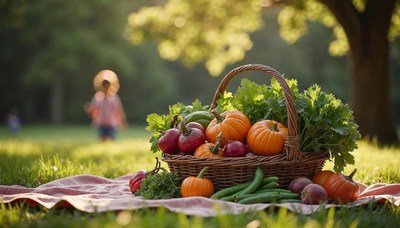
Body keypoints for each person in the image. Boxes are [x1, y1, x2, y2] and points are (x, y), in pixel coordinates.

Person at [85, 70, 127, 141]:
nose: (106, 86)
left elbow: (119, 111)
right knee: (102, 141)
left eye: (107, 84)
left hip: (111, 125)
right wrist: (88, 110)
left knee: (111, 141)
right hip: (101, 125)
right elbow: (93, 113)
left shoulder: (114, 98)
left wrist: (122, 122)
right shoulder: (97, 98)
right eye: (104, 84)